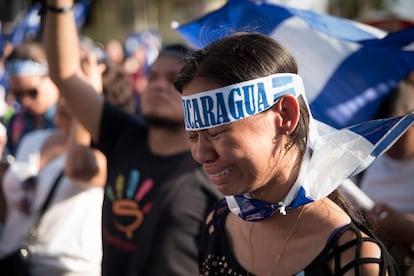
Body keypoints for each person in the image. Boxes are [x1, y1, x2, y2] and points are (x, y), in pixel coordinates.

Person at [173, 32, 400, 275]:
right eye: (193, 136)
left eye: (217, 132)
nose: (201, 154)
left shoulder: (352, 259)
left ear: (285, 116)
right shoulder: (218, 223)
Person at [43, 1, 221, 275]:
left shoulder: (215, 169)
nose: (159, 85)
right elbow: (64, 74)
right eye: (153, 77)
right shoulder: (124, 135)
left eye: (175, 80)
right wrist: (60, 7)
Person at [0, 96, 106, 275]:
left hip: (66, 269)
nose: (64, 102)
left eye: (73, 95)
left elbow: (78, 167)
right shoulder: (32, 140)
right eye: (63, 94)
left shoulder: (99, 157)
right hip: (14, 262)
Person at [359, 78, 414, 275]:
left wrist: (404, 227)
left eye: (397, 134)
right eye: (382, 134)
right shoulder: (364, 158)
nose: (388, 144)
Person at [4, 42, 59, 156]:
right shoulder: (16, 122)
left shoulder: (67, 121)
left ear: (51, 78)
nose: (25, 101)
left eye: (32, 92)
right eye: (17, 94)